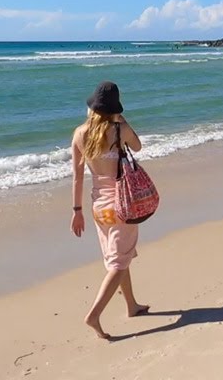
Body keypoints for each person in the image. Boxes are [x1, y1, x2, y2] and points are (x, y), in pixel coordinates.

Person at [70, 81, 149, 340]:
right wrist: (121, 119)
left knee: (118, 257)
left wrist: (77, 210)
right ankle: (94, 315)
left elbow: (77, 178)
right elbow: (137, 147)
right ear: (114, 108)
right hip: (122, 204)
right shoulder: (120, 129)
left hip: (97, 207)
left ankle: (131, 305)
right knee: (119, 261)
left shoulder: (79, 134)